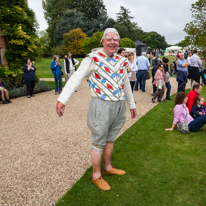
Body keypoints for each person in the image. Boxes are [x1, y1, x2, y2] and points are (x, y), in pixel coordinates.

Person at [56, 28, 137, 191]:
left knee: (111, 138)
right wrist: (62, 100)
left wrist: (132, 104)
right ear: (103, 41)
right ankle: (96, 175)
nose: (113, 42)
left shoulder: (122, 61)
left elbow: (126, 85)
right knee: (99, 140)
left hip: (119, 105)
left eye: (116, 39)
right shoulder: (93, 59)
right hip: (101, 105)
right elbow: (76, 78)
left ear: (119, 42)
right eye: (109, 39)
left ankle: (107, 167)